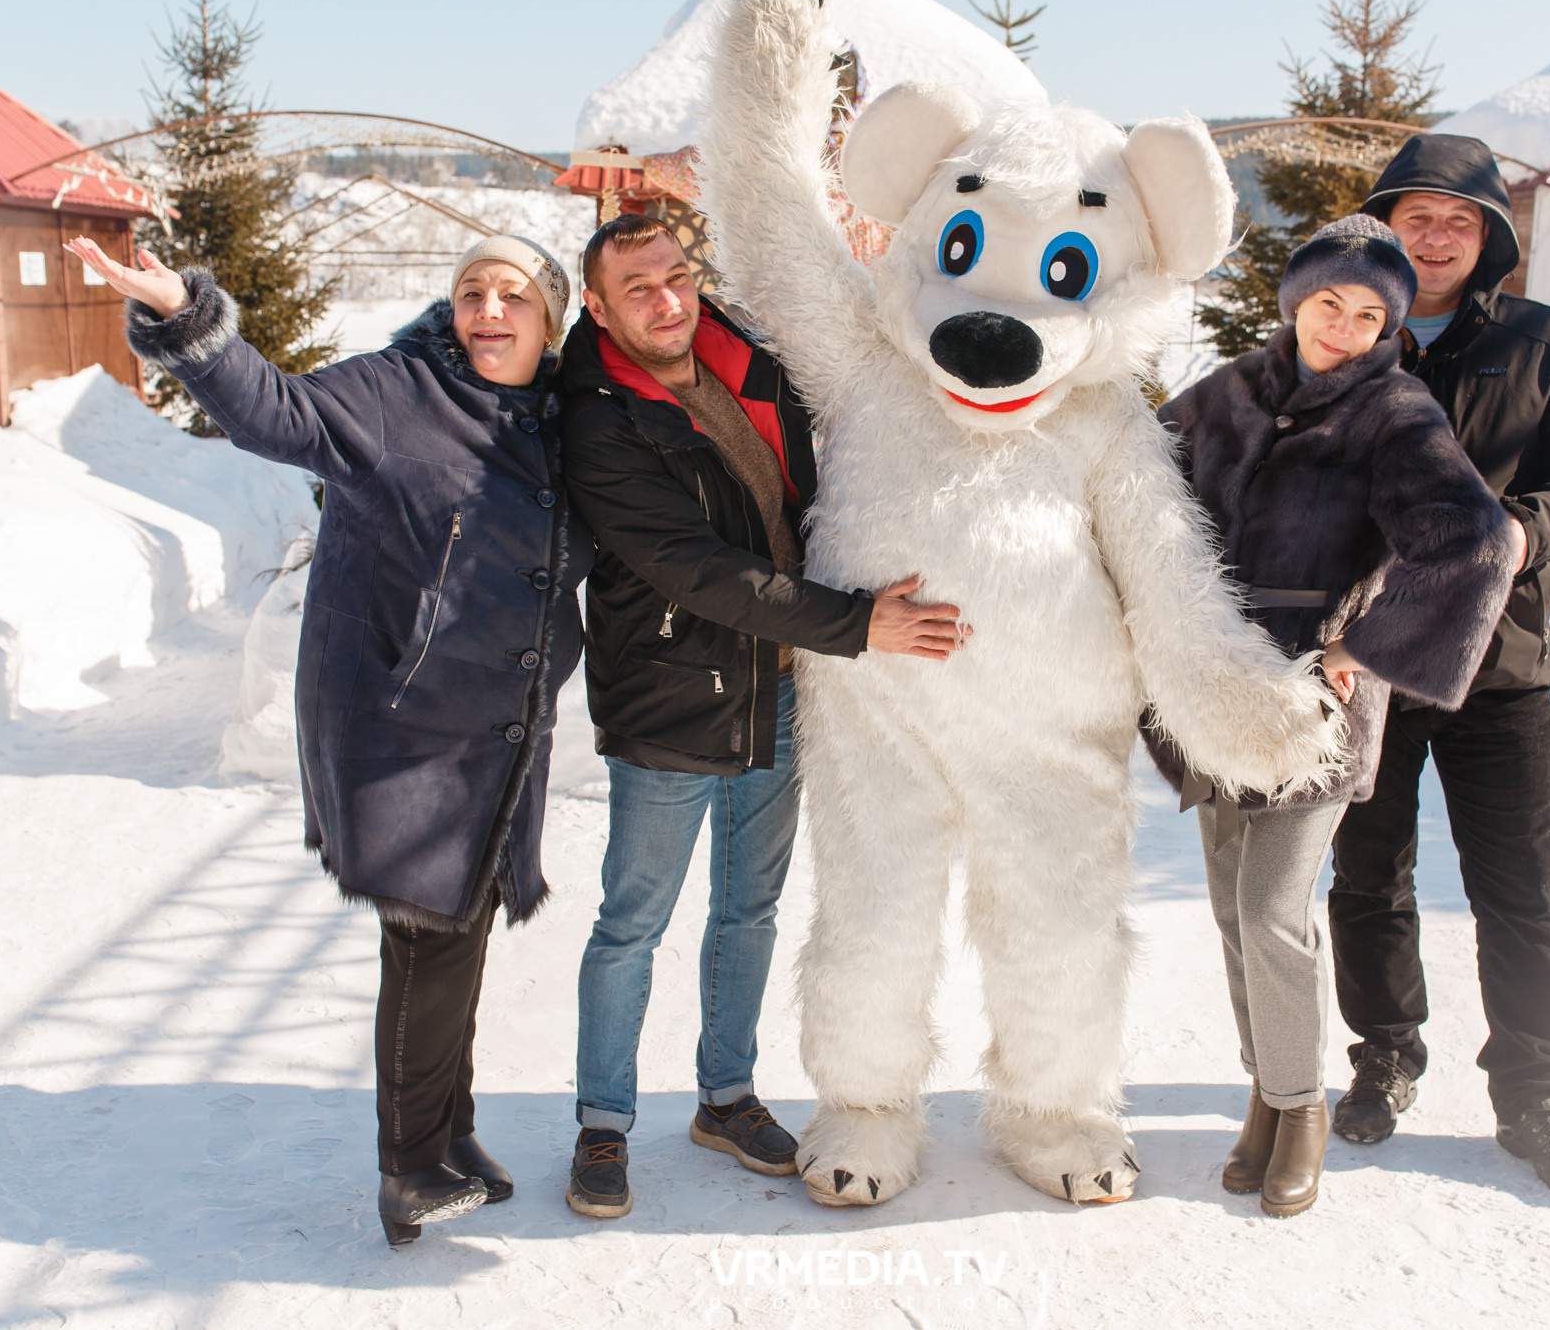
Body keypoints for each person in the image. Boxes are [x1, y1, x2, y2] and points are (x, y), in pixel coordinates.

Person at [69, 232, 591, 1246]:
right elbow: (276, 410)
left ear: (550, 318)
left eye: (513, 296)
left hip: (501, 728)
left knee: (465, 932)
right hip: (406, 722)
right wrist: (184, 315)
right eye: (472, 291)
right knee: (426, 938)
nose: (489, 310)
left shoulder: (561, 416)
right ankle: (410, 1165)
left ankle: (455, 1133)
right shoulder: (397, 392)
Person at [554, 214, 963, 1218]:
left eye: (674, 276)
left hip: (775, 688)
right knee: (632, 923)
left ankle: (725, 1096)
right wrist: (861, 624)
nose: (666, 299)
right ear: (599, 308)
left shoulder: (740, 356)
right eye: (637, 288)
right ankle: (604, 1122)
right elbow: (700, 569)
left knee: (749, 909)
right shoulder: (600, 418)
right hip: (670, 701)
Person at [1156, 215, 1513, 1217]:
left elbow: (1476, 540)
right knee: (1234, 909)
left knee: (1273, 907)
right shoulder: (1226, 393)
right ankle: (1265, 1099)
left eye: (1370, 315)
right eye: (1329, 304)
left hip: (1316, 700)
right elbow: (1136, 479)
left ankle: (1303, 1106)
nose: (1345, 328)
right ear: (1294, 301)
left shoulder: (1395, 410)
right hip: (1218, 688)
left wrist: (1367, 642)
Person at [1327, 134, 1550, 1199]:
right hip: (1367, 666)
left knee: (1520, 889)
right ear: (1387, 228)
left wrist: (1521, 531)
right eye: (1418, 217)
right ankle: (1384, 1056)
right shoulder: (1346, 332)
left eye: (1460, 220)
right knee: (1368, 876)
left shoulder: (1546, 342)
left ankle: (1536, 1095)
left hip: (1501, 665)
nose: (1439, 235)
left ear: (1490, 234)